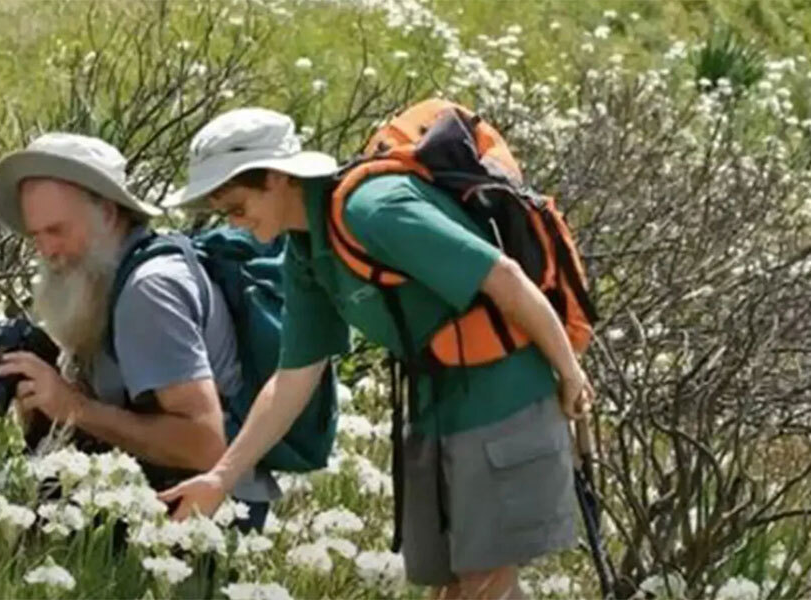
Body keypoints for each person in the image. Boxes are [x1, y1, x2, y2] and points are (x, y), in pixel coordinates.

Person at [157, 108, 596, 600]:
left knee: (484, 586)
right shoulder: (305, 250)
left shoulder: (375, 210)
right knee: (453, 588)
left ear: (277, 178)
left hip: (505, 397)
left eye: (239, 207)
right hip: (436, 408)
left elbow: (504, 276)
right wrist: (221, 477)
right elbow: (294, 376)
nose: (237, 222)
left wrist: (570, 371)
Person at [0, 132, 279, 553]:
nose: (47, 251)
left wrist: (73, 407)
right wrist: (39, 375)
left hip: (201, 516)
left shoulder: (150, 291)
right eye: (36, 236)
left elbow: (208, 445)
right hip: (151, 492)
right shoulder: (105, 278)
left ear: (109, 213)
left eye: (57, 230)